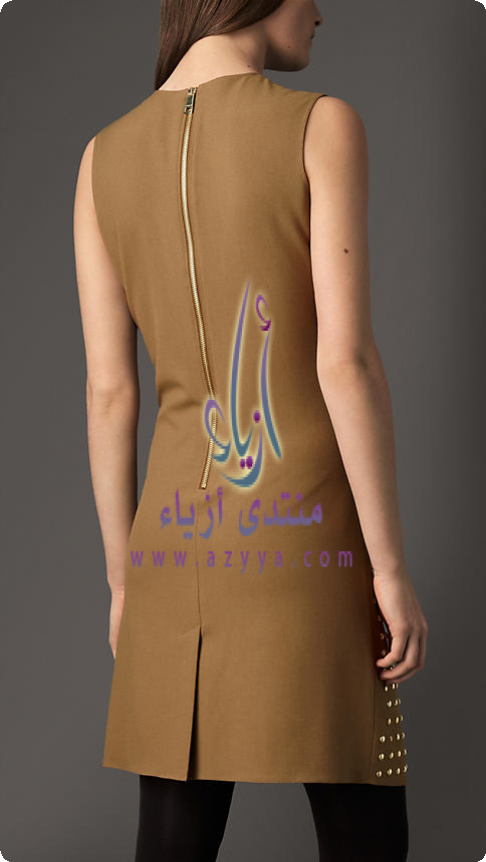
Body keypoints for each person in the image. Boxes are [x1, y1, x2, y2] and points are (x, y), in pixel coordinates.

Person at [73, 1, 428, 859]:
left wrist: (123, 582)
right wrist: (387, 568)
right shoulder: (321, 125)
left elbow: (109, 393)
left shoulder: (100, 157)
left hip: (169, 547)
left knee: (174, 836)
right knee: (363, 825)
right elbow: (345, 364)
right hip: (307, 534)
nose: (321, 10)